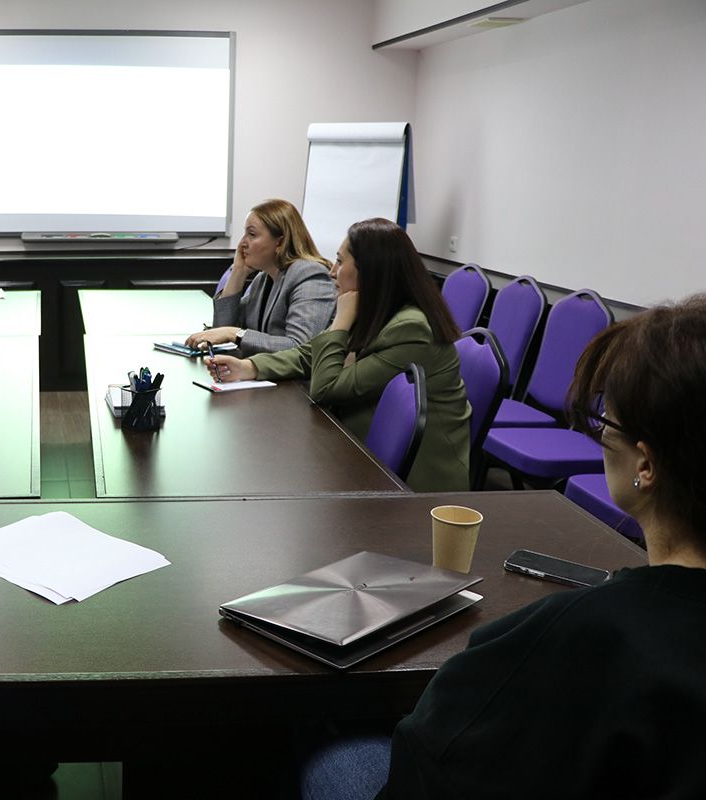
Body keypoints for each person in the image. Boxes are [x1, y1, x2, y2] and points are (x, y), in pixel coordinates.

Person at [301, 294, 706, 799]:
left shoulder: (578, 637)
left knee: (335, 754)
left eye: (606, 420)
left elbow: (426, 767)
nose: (600, 434)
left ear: (645, 464)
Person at [208, 217, 469, 492]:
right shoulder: (373, 307)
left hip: (420, 480)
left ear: (370, 272)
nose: (332, 271)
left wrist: (341, 323)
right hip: (362, 441)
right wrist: (249, 367)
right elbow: (307, 354)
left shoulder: (410, 328)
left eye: (341, 262)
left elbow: (326, 389)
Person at [186, 199, 336, 356]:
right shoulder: (263, 278)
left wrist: (234, 333)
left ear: (280, 242)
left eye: (252, 234)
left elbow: (299, 347)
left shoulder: (310, 275)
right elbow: (222, 329)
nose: (242, 243)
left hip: (296, 373)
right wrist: (238, 272)